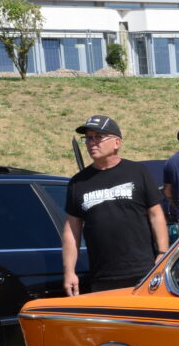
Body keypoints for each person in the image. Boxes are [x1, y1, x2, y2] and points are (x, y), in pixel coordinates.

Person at [62, 114, 170, 295]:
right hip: (102, 277)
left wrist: (162, 253)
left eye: (98, 137)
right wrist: (69, 271)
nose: (91, 143)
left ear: (117, 143)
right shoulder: (78, 183)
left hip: (143, 272)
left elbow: (156, 214)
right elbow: (72, 230)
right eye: (88, 138)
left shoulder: (138, 172)